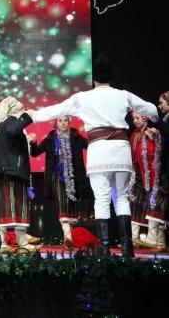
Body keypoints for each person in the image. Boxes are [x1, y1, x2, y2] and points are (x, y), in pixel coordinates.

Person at [29, 56, 158, 257]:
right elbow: (151, 110)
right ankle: (127, 248)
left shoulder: (83, 98)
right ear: (110, 77)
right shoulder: (123, 95)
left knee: (102, 199)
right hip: (121, 151)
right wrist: (156, 119)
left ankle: (104, 248)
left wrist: (33, 115)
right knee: (122, 199)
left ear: (95, 79)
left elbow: (56, 110)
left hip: (99, 153)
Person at [0, 96, 40, 255]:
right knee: (7, 208)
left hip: (14, 173)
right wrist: (28, 117)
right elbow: (13, 130)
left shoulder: (9, 124)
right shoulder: (8, 122)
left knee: (18, 209)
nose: (24, 112)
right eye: (22, 110)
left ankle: (22, 243)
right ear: (16, 111)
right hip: (8, 173)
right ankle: (2, 243)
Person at [28, 116, 90, 249]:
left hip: (74, 177)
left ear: (69, 122)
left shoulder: (76, 137)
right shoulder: (51, 138)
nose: (63, 123)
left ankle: (68, 237)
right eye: (60, 121)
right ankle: (68, 236)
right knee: (63, 204)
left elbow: (91, 146)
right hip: (57, 177)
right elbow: (35, 153)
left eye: (65, 121)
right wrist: (33, 143)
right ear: (56, 123)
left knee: (72, 206)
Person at [139, 92, 169, 251]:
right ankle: (160, 242)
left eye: (161, 102)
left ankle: (153, 239)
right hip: (164, 169)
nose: (159, 105)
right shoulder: (166, 119)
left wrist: (155, 122)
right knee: (159, 204)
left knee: (158, 202)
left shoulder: (165, 121)